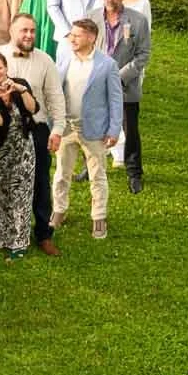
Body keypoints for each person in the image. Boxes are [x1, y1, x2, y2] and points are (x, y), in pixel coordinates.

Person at [0, 11, 66, 257]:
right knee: (2, 179)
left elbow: (55, 97)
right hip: (3, 129)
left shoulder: (45, 60)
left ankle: (43, 234)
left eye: (32, 30)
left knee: (40, 182)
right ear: (11, 31)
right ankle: (3, 231)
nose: (29, 35)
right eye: (24, 30)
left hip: (37, 129)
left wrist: (57, 129)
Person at [53, 19, 124, 240]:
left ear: (91, 37)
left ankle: (99, 217)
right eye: (71, 35)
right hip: (66, 128)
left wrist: (114, 130)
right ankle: (59, 210)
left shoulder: (107, 65)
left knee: (97, 175)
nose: (72, 39)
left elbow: (115, 100)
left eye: (77, 35)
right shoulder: (64, 59)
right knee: (61, 173)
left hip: (94, 130)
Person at [91, 0, 152, 194]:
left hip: (126, 85)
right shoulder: (91, 18)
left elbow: (143, 54)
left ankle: (134, 173)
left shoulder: (137, 20)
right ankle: (91, 167)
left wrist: (119, 76)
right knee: (94, 126)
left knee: (130, 129)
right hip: (97, 83)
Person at [0, 52, 39, 259]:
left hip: (23, 148)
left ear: (6, 67)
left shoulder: (20, 84)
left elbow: (33, 108)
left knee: (21, 193)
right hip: (0, 147)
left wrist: (21, 90)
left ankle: (18, 243)